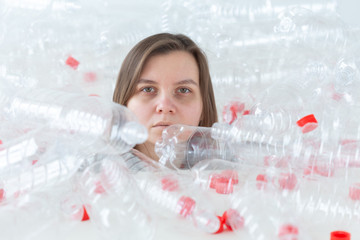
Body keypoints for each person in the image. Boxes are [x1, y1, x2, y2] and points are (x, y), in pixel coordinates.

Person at [113, 33, 218, 162]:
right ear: (124, 103)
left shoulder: (240, 174)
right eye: (148, 89)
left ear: (204, 106)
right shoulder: (91, 174)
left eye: (183, 90)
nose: (165, 106)